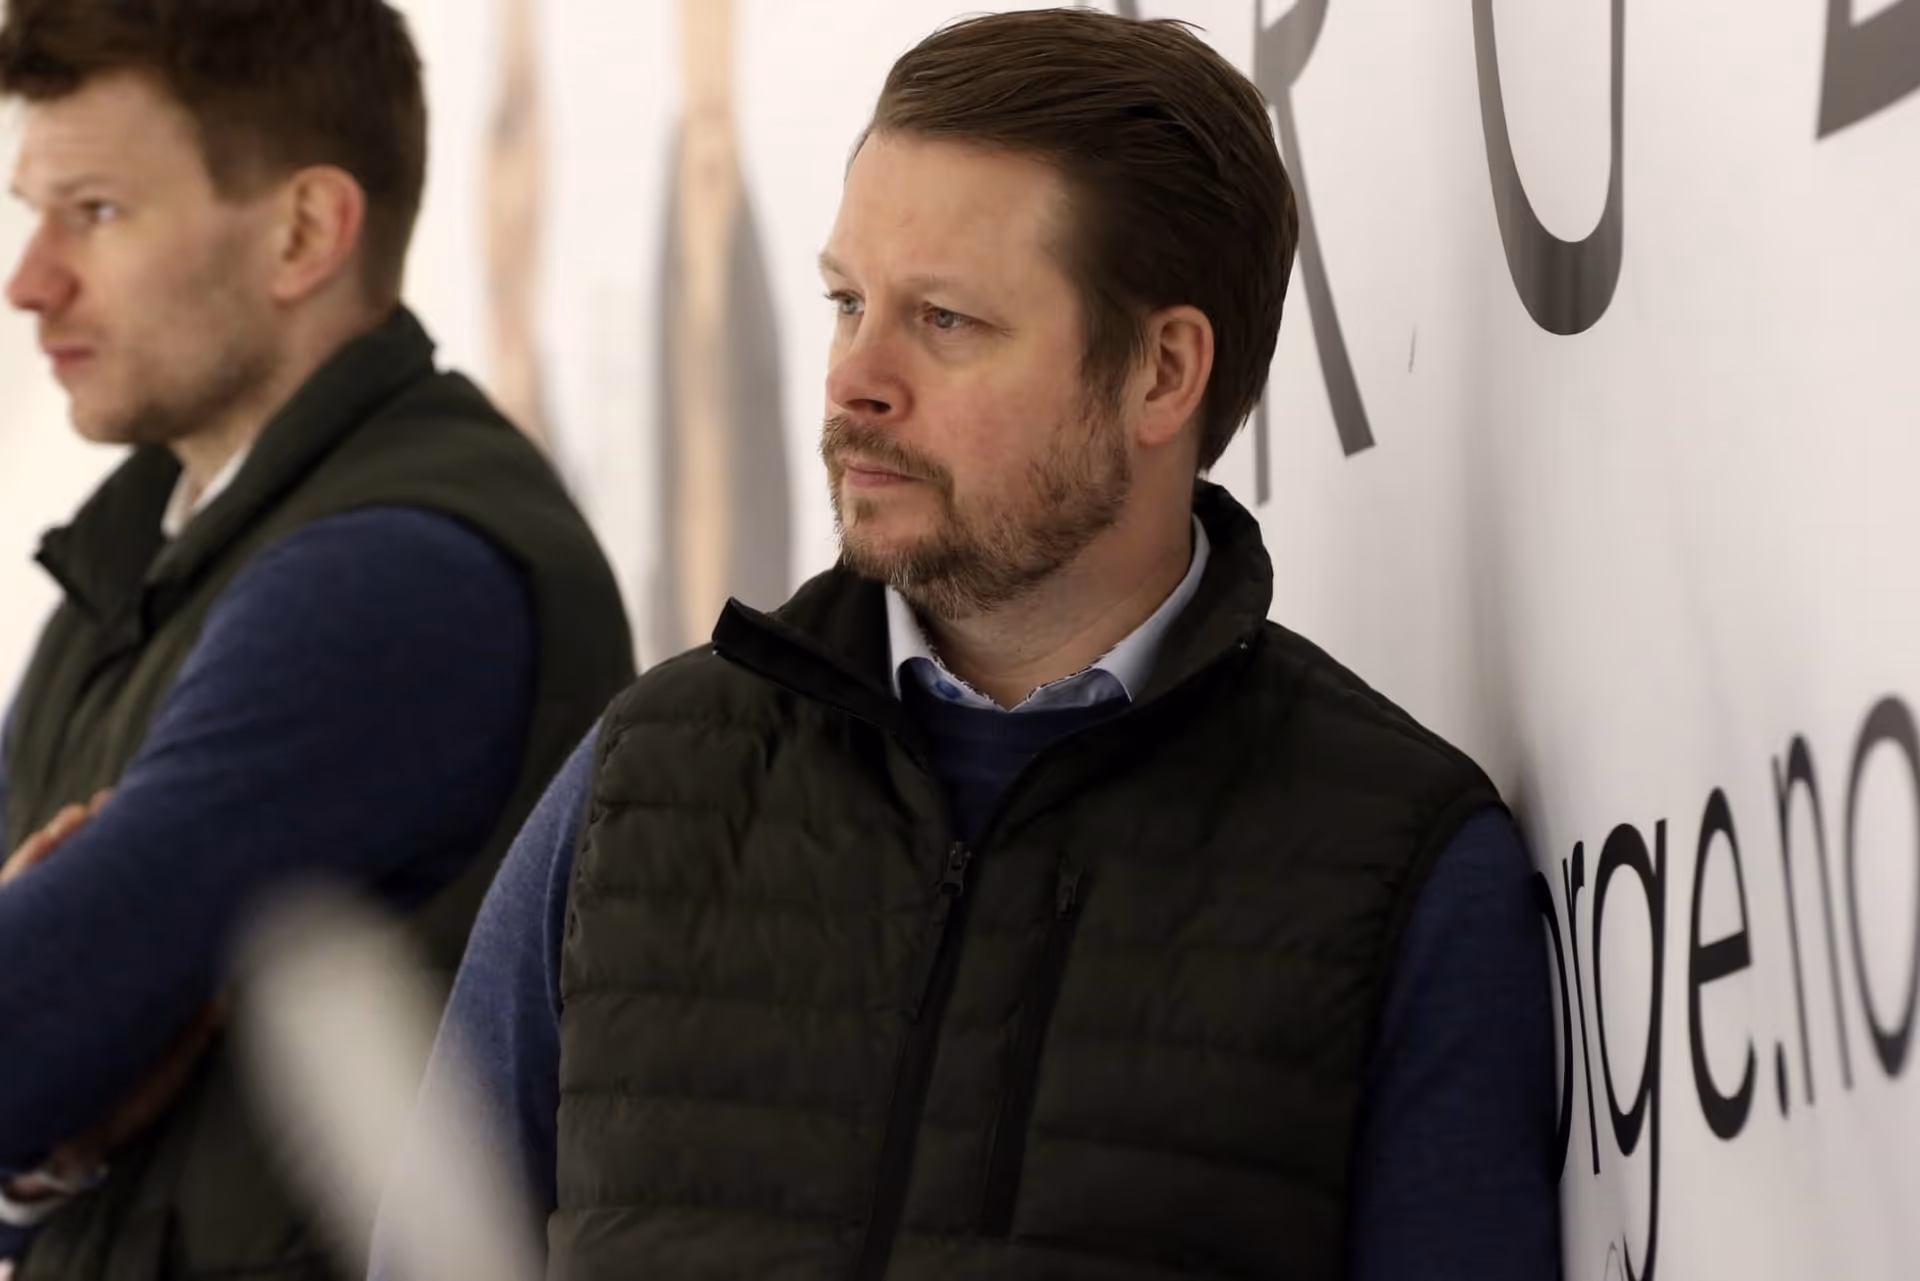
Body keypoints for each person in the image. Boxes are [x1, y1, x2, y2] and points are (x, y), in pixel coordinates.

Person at [382, 9, 1558, 1280]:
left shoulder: (1397, 868)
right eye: (848, 302)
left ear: (1163, 373)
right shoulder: (644, 779)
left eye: (944, 320)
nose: (856, 380)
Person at [0, 1, 633, 1277]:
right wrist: (38, 1163)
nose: (31, 280)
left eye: (97, 212)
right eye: (33, 212)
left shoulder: (399, 575)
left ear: (303, 233)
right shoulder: (130, 562)